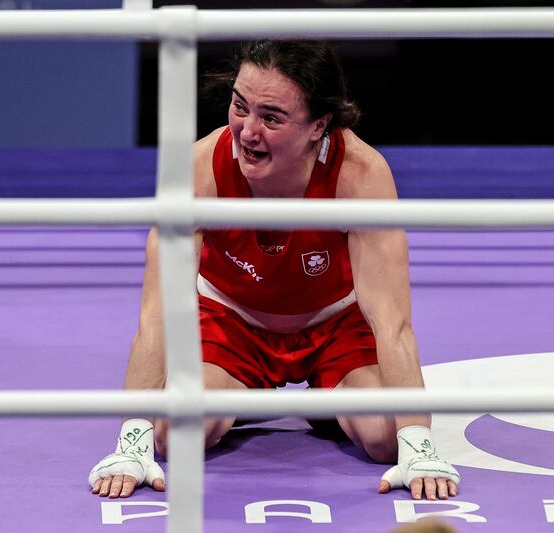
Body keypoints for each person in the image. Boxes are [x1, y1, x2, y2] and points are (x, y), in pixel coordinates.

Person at [89, 40, 459, 502]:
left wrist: (419, 448)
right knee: (174, 436)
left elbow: (392, 320)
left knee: (388, 438)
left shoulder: (360, 174)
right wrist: (132, 438)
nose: (247, 131)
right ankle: (242, 395)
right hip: (233, 323)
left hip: (335, 325)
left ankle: (322, 401)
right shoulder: (200, 170)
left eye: (271, 118)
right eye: (240, 107)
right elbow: (157, 313)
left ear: (318, 125)